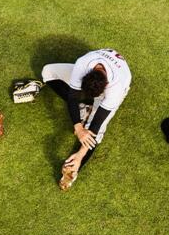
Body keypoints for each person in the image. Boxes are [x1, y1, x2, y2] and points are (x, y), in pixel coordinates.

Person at [37, 48, 131, 190]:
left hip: (118, 83)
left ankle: (74, 169)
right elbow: (72, 97)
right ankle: (84, 109)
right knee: (48, 72)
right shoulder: (83, 64)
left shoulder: (115, 89)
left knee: (98, 131)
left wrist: (80, 155)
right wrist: (78, 127)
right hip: (102, 70)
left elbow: (97, 124)